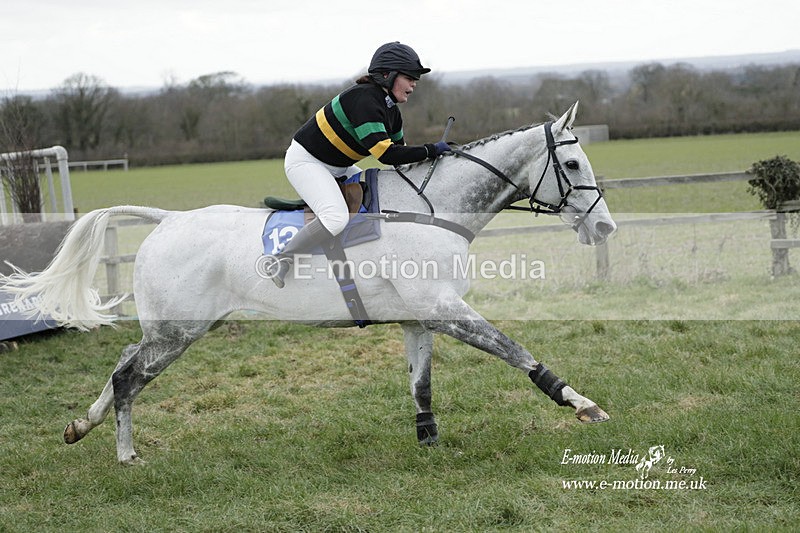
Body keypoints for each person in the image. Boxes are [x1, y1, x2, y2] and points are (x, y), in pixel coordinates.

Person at [267, 41, 451, 288]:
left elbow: (401, 158)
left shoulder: (391, 111)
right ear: (387, 75)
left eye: (415, 79)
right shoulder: (364, 100)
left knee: (384, 196)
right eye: (409, 77)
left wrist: (438, 161)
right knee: (335, 218)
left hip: (340, 167)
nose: (414, 84)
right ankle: (282, 260)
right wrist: (430, 149)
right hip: (307, 163)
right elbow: (386, 154)